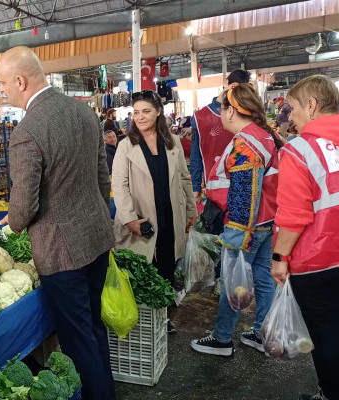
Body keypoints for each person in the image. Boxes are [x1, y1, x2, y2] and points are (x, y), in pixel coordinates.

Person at [0, 46, 116, 400]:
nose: (1, 92)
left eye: (1, 84)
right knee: (93, 327)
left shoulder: (27, 130)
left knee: (77, 335)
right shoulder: (84, 112)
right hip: (96, 236)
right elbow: (102, 179)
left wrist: (11, 223)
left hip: (61, 251)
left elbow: (23, 207)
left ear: (20, 81)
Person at [271, 75, 339, 400]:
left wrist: (280, 258)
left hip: (318, 259)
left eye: (292, 109)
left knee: (328, 333)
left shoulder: (299, 149)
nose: (289, 117)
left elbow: (294, 214)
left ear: (311, 105)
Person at [190, 83, 282, 357]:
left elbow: (244, 195)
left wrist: (237, 234)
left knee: (234, 283)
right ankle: (260, 334)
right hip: (268, 222)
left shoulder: (246, 144)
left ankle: (222, 339)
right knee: (264, 281)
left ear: (232, 111)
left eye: (221, 108)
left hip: (248, 226)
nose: (219, 114)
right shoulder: (263, 134)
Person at [112, 90, 197, 334]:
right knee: (145, 269)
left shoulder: (172, 141)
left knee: (167, 266)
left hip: (171, 215)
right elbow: (119, 185)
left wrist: (190, 211)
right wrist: (129, 219)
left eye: (146, 111)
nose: (140, 117)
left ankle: (164, 317)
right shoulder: (126, 146)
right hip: (142, 218)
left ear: (158, 112)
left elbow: (183, 177)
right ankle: (143, 320)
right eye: (136, 112)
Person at [190, 69, 251, 201]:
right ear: (226, 83)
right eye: (234, 87)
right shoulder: (200, 117)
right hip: (213, 187)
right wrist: (196, 187)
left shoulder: (247, 114)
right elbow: (196, 155)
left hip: (243, 186)